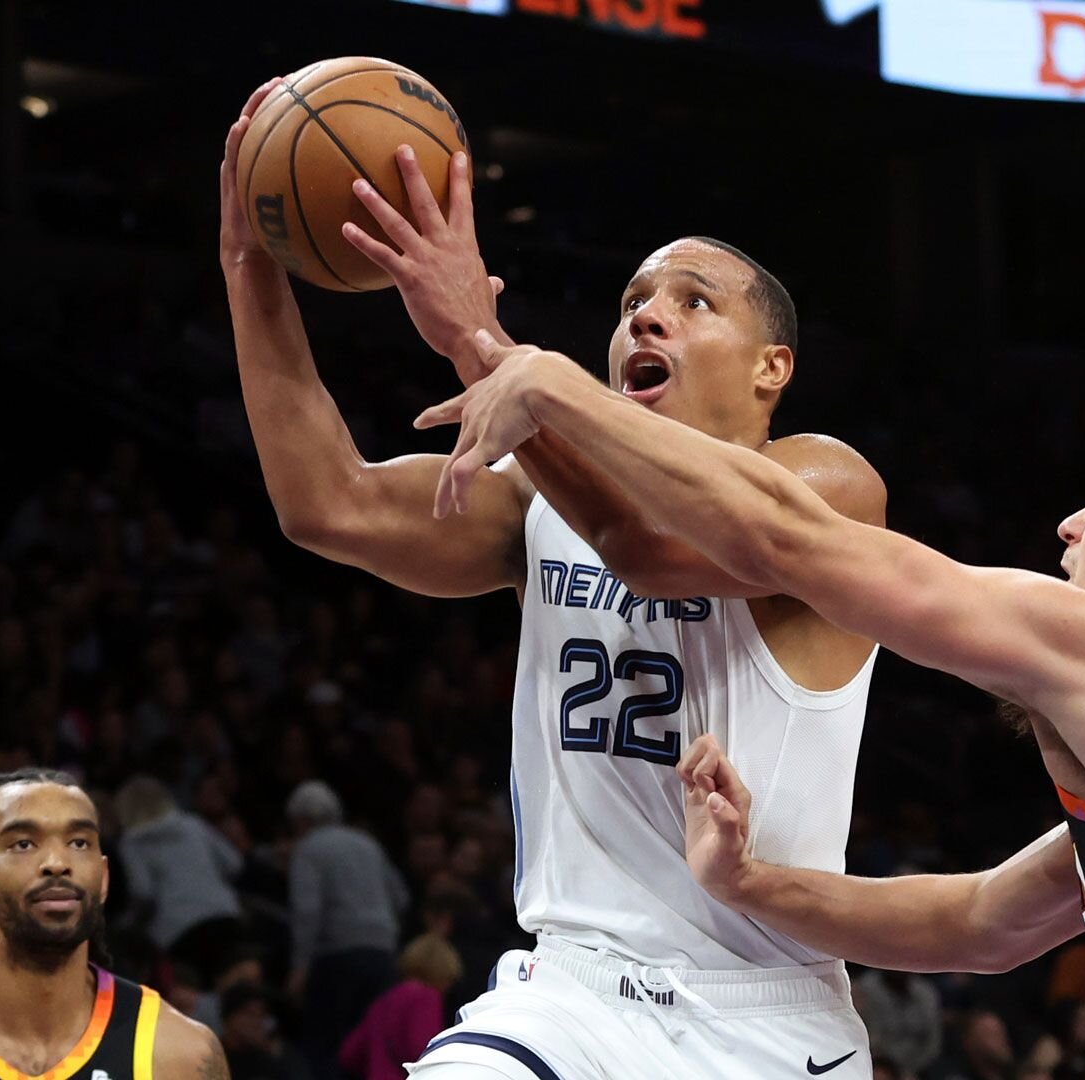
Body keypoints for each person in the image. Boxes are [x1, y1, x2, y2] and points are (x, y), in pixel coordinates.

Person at [424, 351, 1085, 1080]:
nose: (1065, 523)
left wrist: (556, 391)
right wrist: (750, 884)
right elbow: (983, 924)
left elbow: (796, 548)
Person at [218, 72, 885, 1079]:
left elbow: (651, 550)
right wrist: (250, 267)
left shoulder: (826, 483)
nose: (646, 318)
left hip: (759, 1007)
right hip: (568, 993)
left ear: (771, 369)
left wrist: (476, 345)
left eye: (691, 302)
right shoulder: (540, 500)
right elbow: (328, 505)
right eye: (632, 303)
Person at [0, 768, 226, 1078]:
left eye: (79, 843)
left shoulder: (179, 1054)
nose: (57, 863)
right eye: (24, 844)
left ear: (104, 878)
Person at [283, 780, 408, 1078]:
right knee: (374, 1043)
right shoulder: (367, 844)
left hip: (337, 957)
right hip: (382, 955)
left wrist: (299, 967)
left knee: (328, 1046)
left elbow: (307, 911)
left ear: (300, 820)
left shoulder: (308, 848)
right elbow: (401, 897)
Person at [115, 774, 244, 984]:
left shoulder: (132, 843)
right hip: (224, 916)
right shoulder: (193, 824)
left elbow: (143, 893)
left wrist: (128, 923)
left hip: (179, 932)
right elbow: (235, 863)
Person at [339, 933, 462, 1080]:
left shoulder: (385, 999)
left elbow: (350, 1053)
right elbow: (423, 1049)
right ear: (443, 973)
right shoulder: (426, 998)